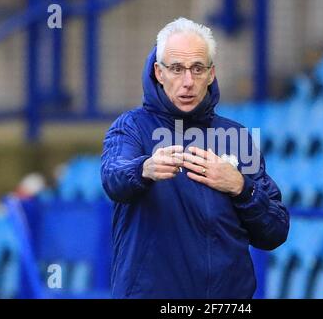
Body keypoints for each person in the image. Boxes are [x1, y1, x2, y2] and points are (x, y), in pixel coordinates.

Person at [101, 17, 289, 299]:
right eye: (176, 69)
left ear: (211, 74)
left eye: (197, 69)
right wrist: (144, 168)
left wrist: (241, 187)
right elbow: (113, 179)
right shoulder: (132, 128)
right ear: (159, 72)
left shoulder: (236, 137)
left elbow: (275, 230)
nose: (187, 81)